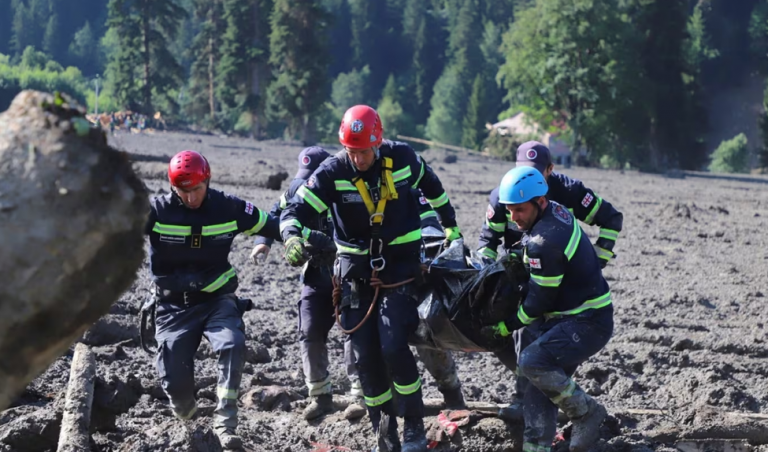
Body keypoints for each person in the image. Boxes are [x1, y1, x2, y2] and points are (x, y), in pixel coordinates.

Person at [280, 105, 462, 452]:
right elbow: (294, 210)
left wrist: (450, 224)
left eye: (364, 151)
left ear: (378, 143)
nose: (358, 158)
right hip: (355, 272)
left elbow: (433, 186)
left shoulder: (404, 158)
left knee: (393, 344)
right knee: (365, 356)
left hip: (400, 267)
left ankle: (413, 427)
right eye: (351, 151)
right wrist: (291, 237)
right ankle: (385, 432)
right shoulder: (332, 172)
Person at [253, 148, 467, 424]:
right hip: (334, 272)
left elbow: (426, 211)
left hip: (392, 269)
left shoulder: (393, 179)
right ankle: (335, 397)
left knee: (417, 331)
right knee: (335, 335)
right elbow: (281, 213)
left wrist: (433, 240)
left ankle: (446, 390)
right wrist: (275, 240)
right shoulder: (313, 186)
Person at [145, 150, 281, 449]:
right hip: (172, 306)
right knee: (176, 388)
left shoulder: (228, 207)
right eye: (183, 191)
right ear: (172, 187)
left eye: (197, 189)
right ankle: (190, 419)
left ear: (207, 181)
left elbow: (271, 224)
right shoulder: (155, 211)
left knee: (232, 343)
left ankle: (225, 422)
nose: (191, 197)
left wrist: (291, 239)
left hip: (216, 299)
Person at [481, 166, 613, 452]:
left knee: (532, 361)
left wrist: (505, 326)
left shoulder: (544, 242)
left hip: (588, 321)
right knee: (537, 389)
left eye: (519, 210)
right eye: (509, 210)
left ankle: (586, 412)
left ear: (540, 201)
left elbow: (537, 303)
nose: (513, 218)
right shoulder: (554, 211)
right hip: (570, 315)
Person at [477, 141, 623, 268]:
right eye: (523, 171)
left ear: (550, 169)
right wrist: (485, 268)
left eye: (535, 173)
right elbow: (488, 240)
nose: (529, 180)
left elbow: (611, 218)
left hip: (561, 270)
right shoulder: (502, 197)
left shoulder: (569, 191)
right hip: (517, 268)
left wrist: (597, 260)